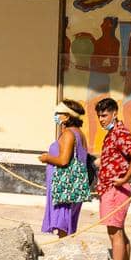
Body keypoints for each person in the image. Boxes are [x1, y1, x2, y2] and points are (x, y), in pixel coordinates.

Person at [95, 96, 131, 260]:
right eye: (99, 116)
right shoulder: (113, 133)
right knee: (119, 231)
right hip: (110, 188)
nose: (101, 119)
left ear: (114, 114)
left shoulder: (119, 132)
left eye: (104, 115)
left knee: (114, 232)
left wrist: (125, 177)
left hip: (116, 190)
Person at [40, 99, 90, 237]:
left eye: (59, 113)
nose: (56, 116)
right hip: (73, 185)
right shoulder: (79, 133)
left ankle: (63, 254)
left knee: (62, 223)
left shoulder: (69, 134)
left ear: (67, 116)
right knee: (67, 223)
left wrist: (46, 158)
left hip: (64, 187)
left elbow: (63, 160)